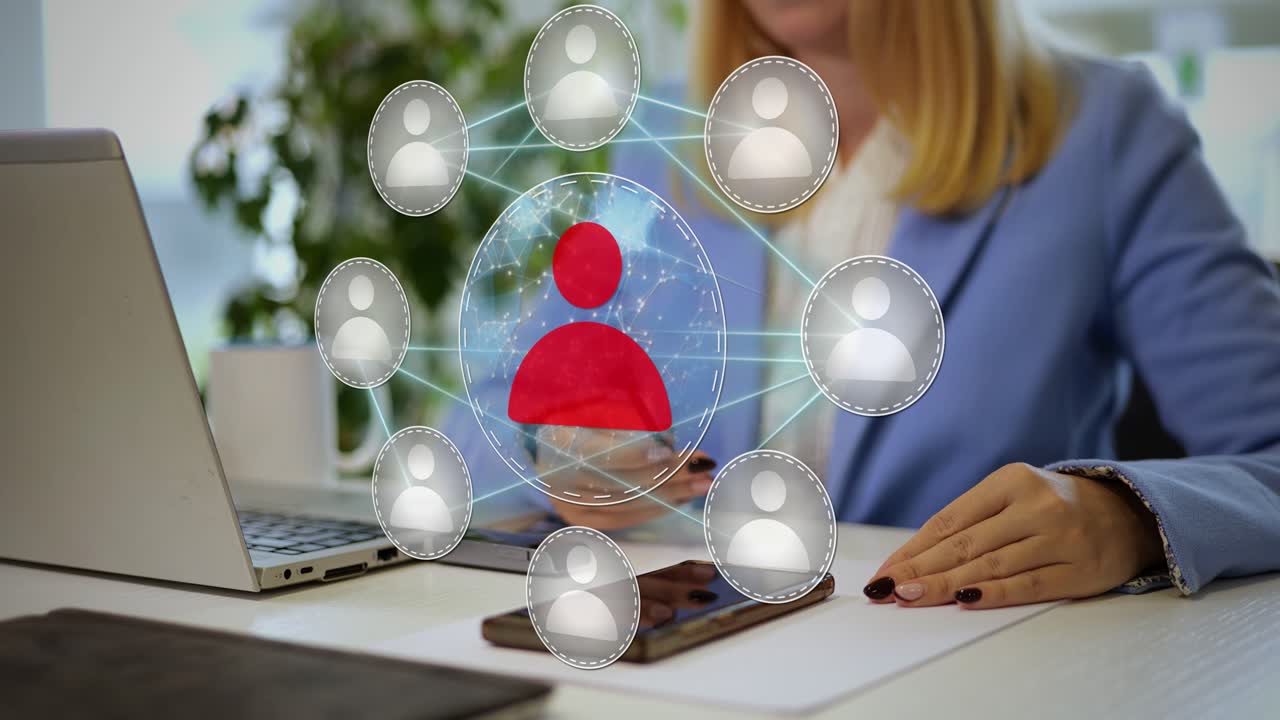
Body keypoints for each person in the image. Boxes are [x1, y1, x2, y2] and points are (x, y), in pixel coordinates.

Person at [445, 0, 1280, 608]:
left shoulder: (1104, 132)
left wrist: (1128, 517)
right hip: (679, 659)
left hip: (964, 674)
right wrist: (553, 458)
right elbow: (483, 426)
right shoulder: (664, 145)